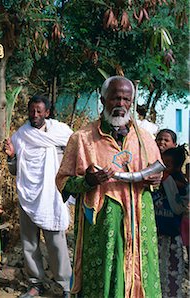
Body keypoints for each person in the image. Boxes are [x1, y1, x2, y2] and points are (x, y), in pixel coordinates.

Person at [56, 76, 163, 297]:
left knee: (142, 276)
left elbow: (157, 173)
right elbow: (63, 182)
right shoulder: (82, 139)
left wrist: (155, 180)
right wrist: (88, 181)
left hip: (140, 224)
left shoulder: (144, 138)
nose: (121, 104)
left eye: (126, 99)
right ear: (103, 99)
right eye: (115, 98)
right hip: (103, 226)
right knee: (105, 282)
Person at [4, 95, 73, 298]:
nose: (34, 115)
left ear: (47, 113)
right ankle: (36, 283)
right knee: (30, 243)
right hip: (28, 196)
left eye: (39, 111)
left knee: (56, 243)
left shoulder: (62, 133)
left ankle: (65, 285)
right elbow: (15, 170)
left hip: (52, 196)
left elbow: (73, 159)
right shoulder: (20, 136)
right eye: (32, 111)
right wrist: (10, 156)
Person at [153, 145, 188, 298]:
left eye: (167, 165)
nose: (163, 169)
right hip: (156, 235)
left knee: (171, 273)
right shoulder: (156, 182)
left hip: (172, 236)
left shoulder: (180, 185)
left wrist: (168, 182)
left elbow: (178, 207)